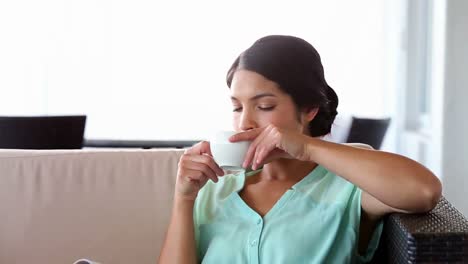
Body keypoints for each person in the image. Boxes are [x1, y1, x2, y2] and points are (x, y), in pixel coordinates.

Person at [158, 35, 442, 263]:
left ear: (309, 109)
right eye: (236, 107)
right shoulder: (215, 187)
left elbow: (424, 191)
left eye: (264, 106)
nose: (244, 122)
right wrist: (184, 198)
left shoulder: (346, 186)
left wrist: (306, 146)